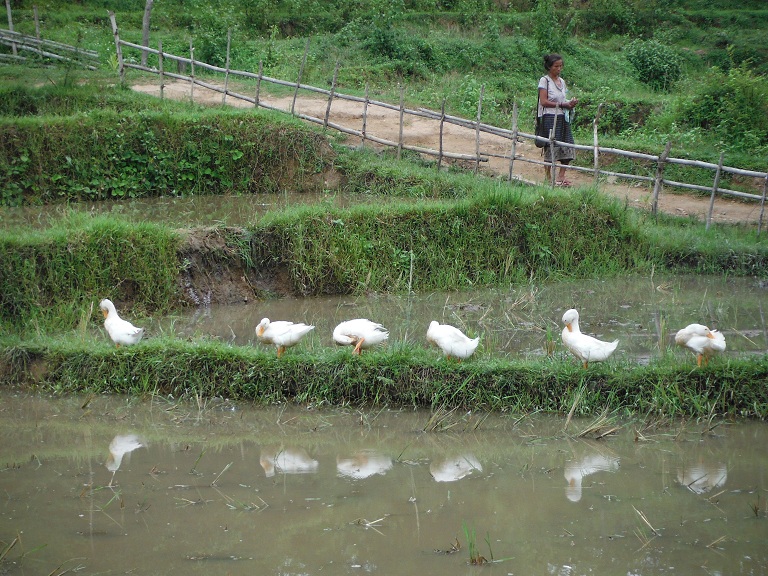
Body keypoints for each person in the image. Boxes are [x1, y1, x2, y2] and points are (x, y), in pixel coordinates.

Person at [538, 53, 578, 187]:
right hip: (550, 117)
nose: (559, 69)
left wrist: (569, 103)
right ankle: (548, 177)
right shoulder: (544, 81)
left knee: (568, 144)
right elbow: (543, 102)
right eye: (556, 66)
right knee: (551, 146)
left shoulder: (562, 82)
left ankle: (561, 176)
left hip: (562, 117)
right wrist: (562, 105)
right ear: (549, 67)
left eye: (561, 66)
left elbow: (562, 99)